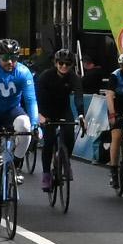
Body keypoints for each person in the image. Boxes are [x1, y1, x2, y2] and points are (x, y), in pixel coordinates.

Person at [0, 38, 39, 223]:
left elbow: (31, 100)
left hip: (12, 111)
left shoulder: (23, 72)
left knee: (25, 127)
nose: (10, 62)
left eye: (14, 57)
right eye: (5, 58)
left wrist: (36, 124)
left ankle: (15, 163)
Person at [34, 48, 84, 192]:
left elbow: (78, 96)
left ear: (72, 65)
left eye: (67, 64)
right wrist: (39, 115)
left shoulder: (74, 77)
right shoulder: (45, 76)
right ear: (56, 63)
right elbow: (35, 97)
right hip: (46, 110)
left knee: (69, 135)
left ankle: (65, 160)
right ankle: (46, 174)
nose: (64, 66)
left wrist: (81, 115)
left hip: (63, 109)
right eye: (61, 63)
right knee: (49, 141)